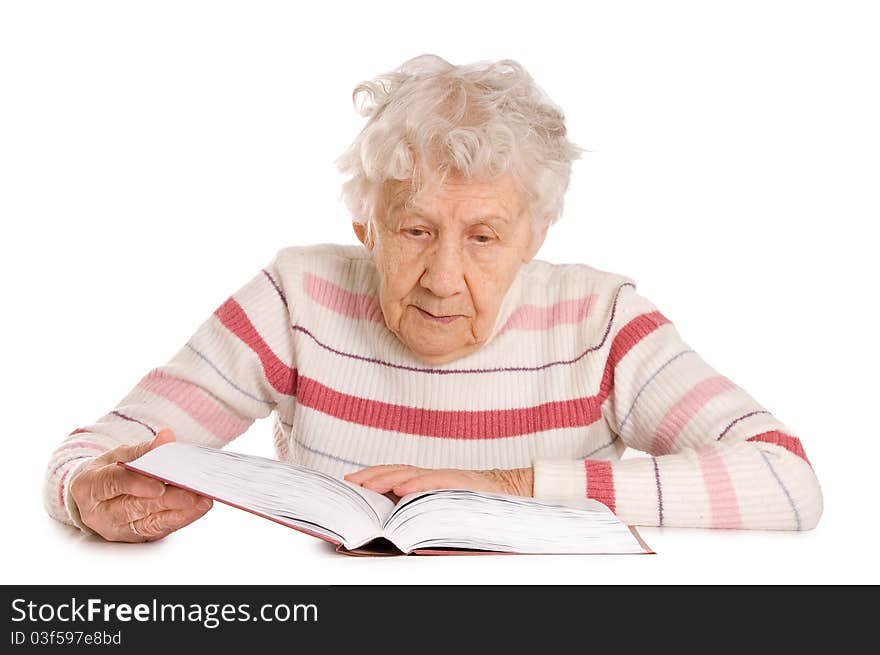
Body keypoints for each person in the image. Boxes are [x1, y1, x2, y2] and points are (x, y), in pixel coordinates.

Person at [43, 54, 823, 543]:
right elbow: (89, 453)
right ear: (366, 225)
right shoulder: (297, 298)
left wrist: (518, 485)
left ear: (534, 235)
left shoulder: (602, 320)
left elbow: (787, 481)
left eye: (483, 237)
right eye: (415, 229)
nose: (444, 278)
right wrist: (87, 495)